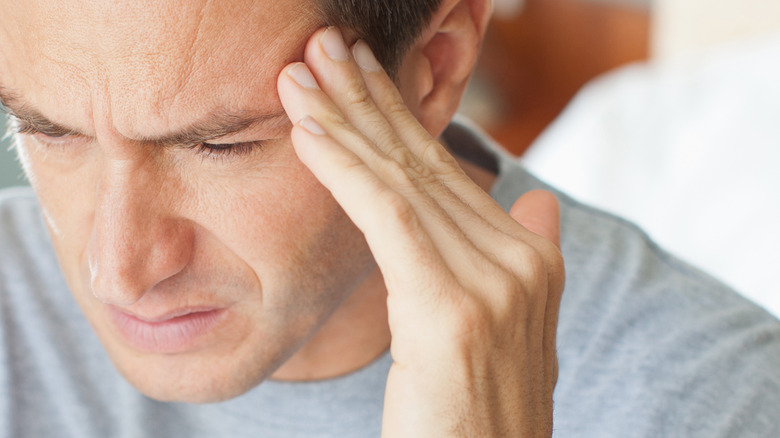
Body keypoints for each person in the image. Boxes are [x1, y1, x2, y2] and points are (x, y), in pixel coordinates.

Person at [0, 0, 777, 436]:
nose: (119, 269)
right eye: (49, 131)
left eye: (219, 144)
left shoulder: (711, 403)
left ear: (433, 68)